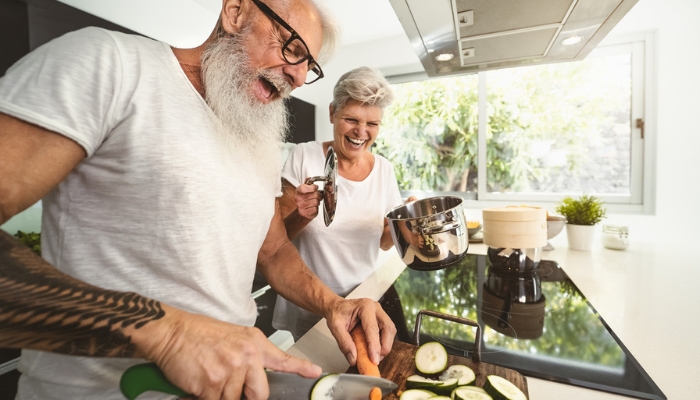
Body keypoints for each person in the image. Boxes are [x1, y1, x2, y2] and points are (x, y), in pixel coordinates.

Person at [0, 1, 396, 399]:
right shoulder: (110, 64)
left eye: (308, 64)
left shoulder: (257, 140)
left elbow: (274, 251)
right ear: (236, 12)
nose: (296, 75)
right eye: (291, 48)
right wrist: (168, 334)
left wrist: (333, 305)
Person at [272, 67, 416, 340]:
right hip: (312, 302)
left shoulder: (385, 169)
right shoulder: (304, 156)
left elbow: (384, 241)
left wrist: (405, 226)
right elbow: (277, 242)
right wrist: (303, 215)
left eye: (372, 124)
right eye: (351, 119)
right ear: (331, 113)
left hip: (365, 296)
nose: (361, 132)